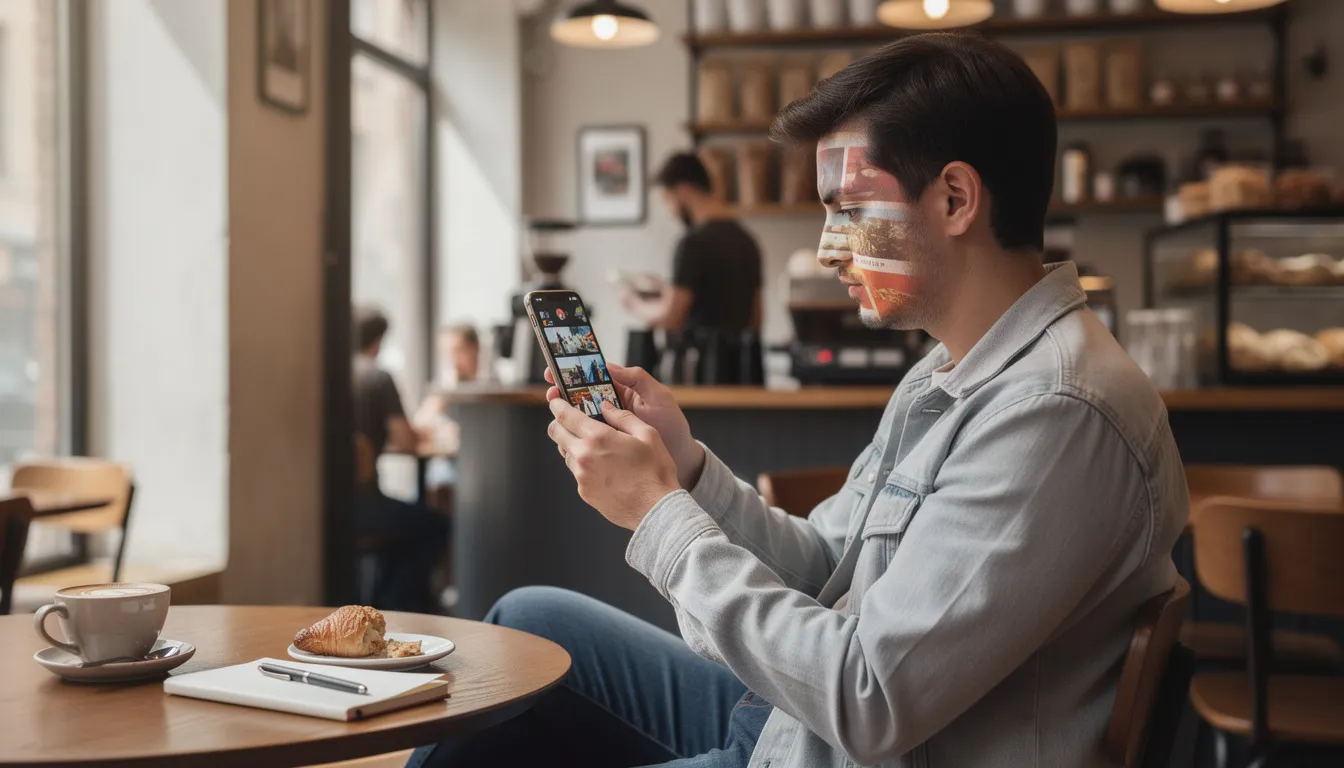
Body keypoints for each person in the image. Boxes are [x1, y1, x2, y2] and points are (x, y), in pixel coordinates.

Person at [409, 34, 1188, 768]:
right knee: (526, 617)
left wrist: (656, 515)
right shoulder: (946, 373)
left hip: (840, 746)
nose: (825, 248)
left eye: (848, 209)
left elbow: (870, 697)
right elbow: (823, 567)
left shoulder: (1056, 411)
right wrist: (685, 468)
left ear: (955, 199)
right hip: (793, 722)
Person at [352, 306, 450, 614]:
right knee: (434, 524)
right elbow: (406, 439)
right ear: (378, 341)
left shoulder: (330, 372)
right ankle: (398, 605)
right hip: (362, 505)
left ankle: (382, 602)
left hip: (326, 508)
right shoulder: (377, 376)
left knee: (404, 521)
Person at [622, 153, 763, 336]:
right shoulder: (747, 240)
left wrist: (632, 302)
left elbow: (672, 320)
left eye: (668, 200)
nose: (671, 212)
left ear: (683, 189)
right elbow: (757, 319)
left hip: (700, 361)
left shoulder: (692, 243)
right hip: (739, 363)